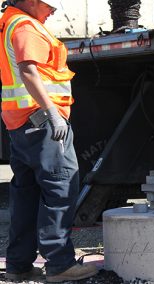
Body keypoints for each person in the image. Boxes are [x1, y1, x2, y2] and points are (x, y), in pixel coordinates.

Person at [0, 0, 98, 282]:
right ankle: (60, 264)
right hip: (42, 123)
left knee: (26, 194)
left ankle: (18, 265)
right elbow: (29, 71)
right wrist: (52, 113)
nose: (56, 9)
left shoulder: (12, 22)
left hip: (22, 124)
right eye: (50, 4)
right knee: (61, 187)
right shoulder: (26, 26)